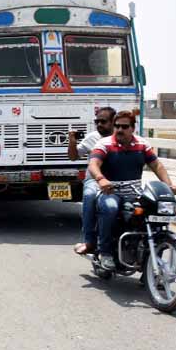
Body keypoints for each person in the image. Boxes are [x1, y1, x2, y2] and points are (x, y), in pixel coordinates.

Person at [88, 110, 176, 271]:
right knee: (110, 208)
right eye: (116, 126)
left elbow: (156, 165)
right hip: (111, 191)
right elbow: (94, 164)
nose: (119, 130)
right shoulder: (104, 143)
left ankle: (151, 256)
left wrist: (169, 185)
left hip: (135, 192)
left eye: (124, 126)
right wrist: (101, 179)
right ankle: (105, 252)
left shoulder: (142, 144)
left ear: (133, 128)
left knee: (156, 213)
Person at [69, 106, 115, 255]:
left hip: (118, 180)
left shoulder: (122, 137)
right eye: (97, 121)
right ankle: (89, 241)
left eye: (104, 121)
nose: (99, 124)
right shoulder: (93, 138)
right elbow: (73, 156)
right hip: (94, 181)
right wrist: (72, 141)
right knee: (89, 196)